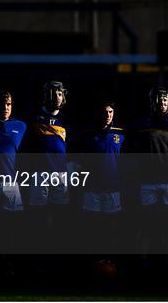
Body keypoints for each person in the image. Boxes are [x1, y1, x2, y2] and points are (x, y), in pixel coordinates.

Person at [127, 87, 168, 259]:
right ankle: (144, 265)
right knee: (146, 225)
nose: (162, 103)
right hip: (147, 182)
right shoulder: (139, 124)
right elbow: (129, 150)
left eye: (165, 100)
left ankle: (167, 264)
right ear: (152, 102)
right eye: (158, 100)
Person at [22, 81, 71, 253]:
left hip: (61, 175)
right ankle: (37, 250)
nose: (57, 97)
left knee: (60, 215)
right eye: (53, 93)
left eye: (59, 93)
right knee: (38, 215)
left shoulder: (67, 121)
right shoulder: (33, 118)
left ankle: (57, 250)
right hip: (38, 174)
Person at [73, 100, 125, 254]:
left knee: (111, 227)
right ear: (98, 113)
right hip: (92, 188)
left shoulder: (121, 133)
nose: (108, 115)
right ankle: (94, 261)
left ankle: (109, 260)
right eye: (105, 112)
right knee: (92, 227)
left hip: (113, 188)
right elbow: (76, 160)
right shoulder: (86, 134)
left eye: (110, 112)